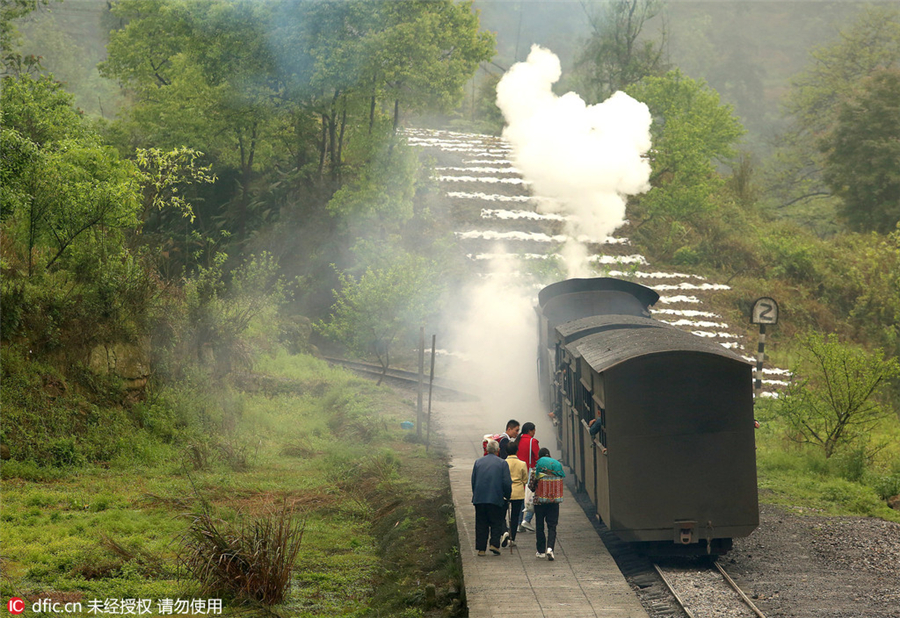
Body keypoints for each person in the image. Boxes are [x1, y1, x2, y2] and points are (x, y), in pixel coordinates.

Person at [471, 439, 512, 556]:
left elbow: (474, 481)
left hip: (480, 498)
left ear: (486, 450)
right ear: (498, 450)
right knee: (496, 522)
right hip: (496, 497)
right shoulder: (503, 463)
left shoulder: (478, 462)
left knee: (481, 523)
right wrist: (507, 496)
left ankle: (481, 549)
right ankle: (494, 544)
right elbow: (506, 483)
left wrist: (476, 494)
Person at [533, 447, 565, 561]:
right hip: (553, 501)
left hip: (539, 502)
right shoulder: (556, 469)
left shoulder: (536, 469)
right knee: (552, 526)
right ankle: (550, 548)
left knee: (540, 526)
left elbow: (531, 486)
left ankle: (541, 551)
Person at [516, 422, 540, 532]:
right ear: (530, 431)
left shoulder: (517, 440)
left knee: (521, 497)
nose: (534, 433)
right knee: (533, 497)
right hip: (530, 472)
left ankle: (519, 523)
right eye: (534, 430)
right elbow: (538, 457)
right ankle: (527, 519)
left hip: (518, 472)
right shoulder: (532, 441)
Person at [504, 440, 528, 548]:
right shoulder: (522, 464)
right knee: (515, 516)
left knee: (502, 514)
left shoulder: (503, 463)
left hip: (505, 491)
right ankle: (512, 539)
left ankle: (504, 531)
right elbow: (525, 480)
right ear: (517, 451)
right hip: (518, 492)